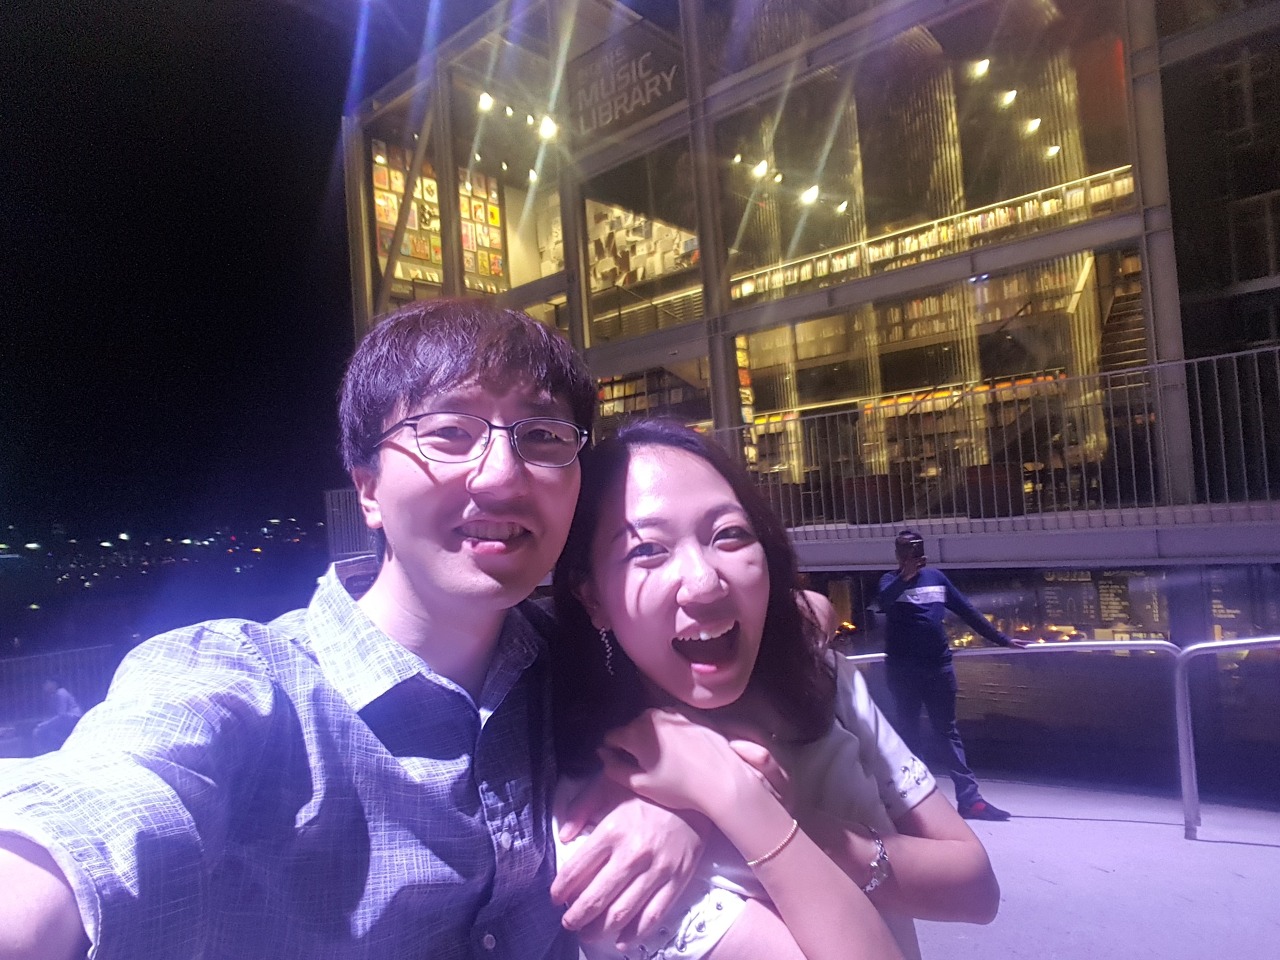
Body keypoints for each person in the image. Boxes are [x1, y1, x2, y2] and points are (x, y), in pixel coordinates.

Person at [0, 301, 698, 960]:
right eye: (449, 433)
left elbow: (736, 695)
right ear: (368, 490)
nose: (502, 477)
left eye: (542, 436)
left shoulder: (579, 655)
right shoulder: (249, 684)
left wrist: (682, 802)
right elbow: (114, 799)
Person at [551, 420, 1000, 960]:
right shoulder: (601, 823)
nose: (705, 583)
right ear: (593, 597)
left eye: (729, 535)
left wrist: (744, 812)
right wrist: (733, 800)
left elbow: (977, 889)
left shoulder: (823, 682)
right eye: (647, 549)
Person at [878, 529, 1028, 822]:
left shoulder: (937, 578)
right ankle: (916, 802)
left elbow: (967, 611)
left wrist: (1002, 639)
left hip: (939, 669)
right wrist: (904, 577)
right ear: (897, 554)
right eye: (906, 549)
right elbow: (882, 603)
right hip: (903, 672)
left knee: (947, 733)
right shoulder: (888, 581)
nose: (911, 554)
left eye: (915, 548)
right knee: (908, 734)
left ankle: (970, 801)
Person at [30, 679, 82, 755]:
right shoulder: (53, 696)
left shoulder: (61, 693)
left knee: (38, 730)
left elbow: (62, 715)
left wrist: (44, 724)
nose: (44, 687)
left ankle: (44, 751)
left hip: (72, 718)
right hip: (65, 719)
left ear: (53, 683)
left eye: (46, 684)